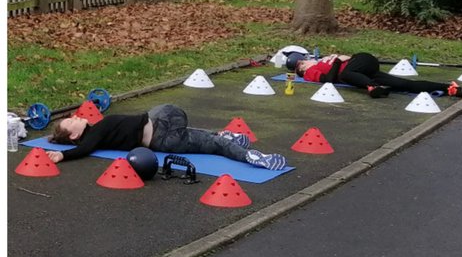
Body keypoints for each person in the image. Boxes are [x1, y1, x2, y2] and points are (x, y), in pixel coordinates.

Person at [46, 104, 286, 169]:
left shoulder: (97, 131)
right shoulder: (93, 135)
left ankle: (225, 136)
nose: (77, 117)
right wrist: (63, 155)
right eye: (72, 122)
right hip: (163, 133)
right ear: (75, 134)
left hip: (163, 127)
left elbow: (86, 146)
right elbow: (84, 149)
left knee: (200, 137)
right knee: (214, 145)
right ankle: (251, 157)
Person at [284, 51, 462, 98]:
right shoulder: (309, 73)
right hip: (358, 72)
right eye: (302, 64)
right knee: (402, 85)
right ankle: (449, 88)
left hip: (362, 61)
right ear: (300, 69)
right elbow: (329, 80)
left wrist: (338, 60)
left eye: (304, 61)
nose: (306, 63)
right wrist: (338, 60)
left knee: (347, 73)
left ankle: (373, 87)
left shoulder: (321, 60)